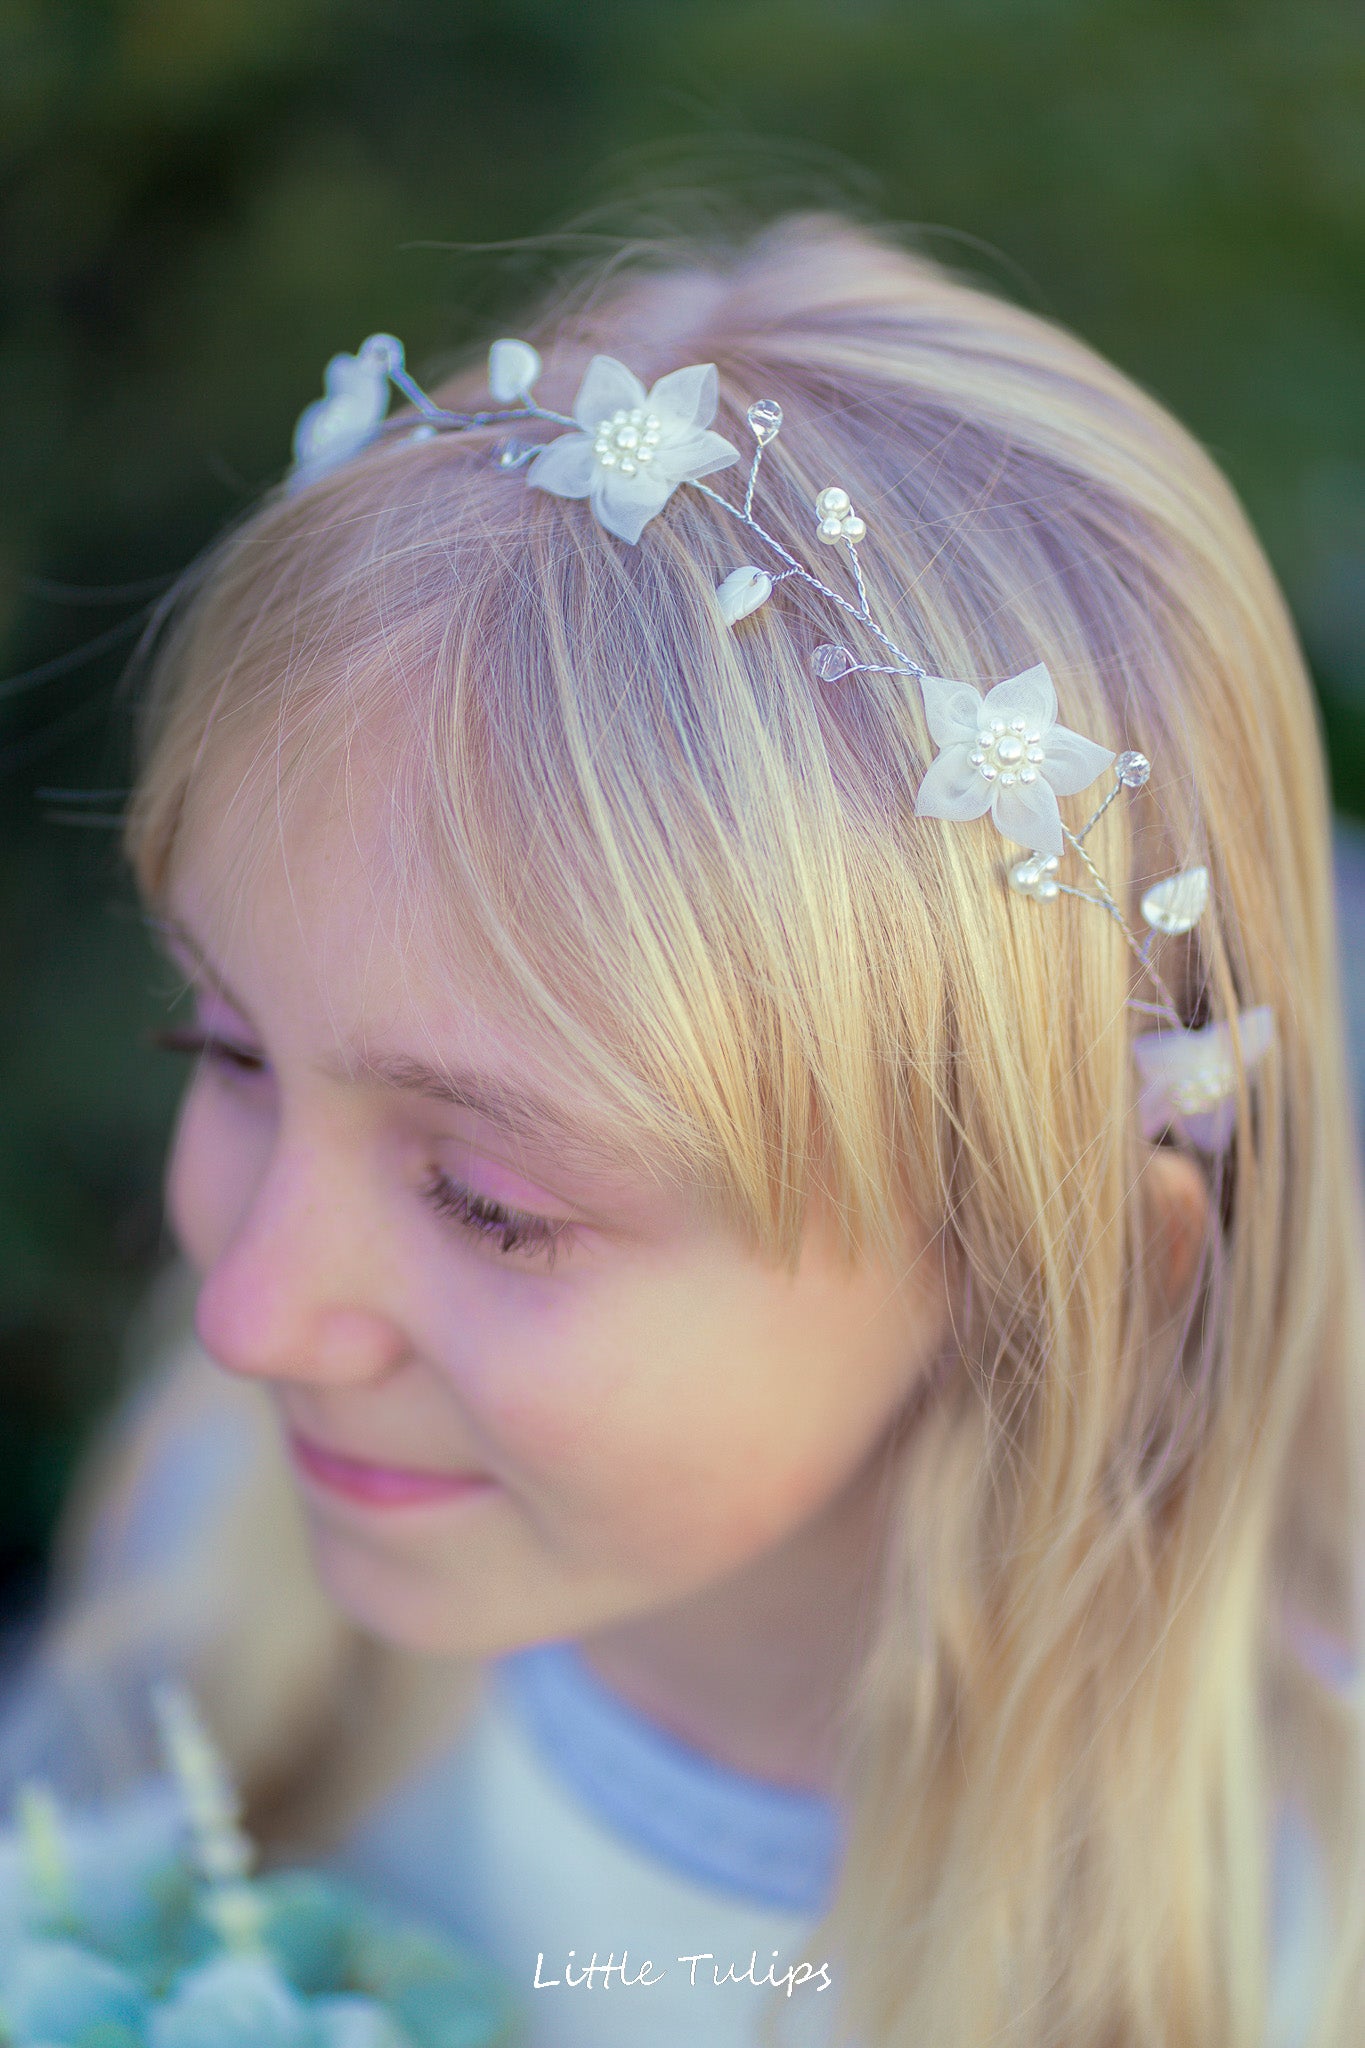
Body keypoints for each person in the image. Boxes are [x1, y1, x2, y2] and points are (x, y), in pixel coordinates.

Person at [4, 207, 1363, 2047]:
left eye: (490, 1204)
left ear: (1064, 1270)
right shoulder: (220, 1541)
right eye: (226, 1047)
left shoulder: (1277, 1946)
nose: (249, 1317)